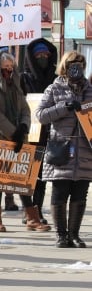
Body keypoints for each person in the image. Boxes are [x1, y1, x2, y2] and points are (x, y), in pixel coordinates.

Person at [0, 50, 50, 233]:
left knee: (22, 178)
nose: (9, 71)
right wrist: (13, 132)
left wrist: (24, 127)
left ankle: (32, 218)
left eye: (11, 67)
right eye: (5, 68)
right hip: (0, 137)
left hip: (19, 137)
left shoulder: (16, 84)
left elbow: (26, 109)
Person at [35, 50, 92, 248]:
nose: (77, 68)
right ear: (65, 66)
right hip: (62, 149)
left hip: (85, 151)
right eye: (73, 64)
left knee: (80, 195)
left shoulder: (90, 89)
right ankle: (61, 235)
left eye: (80, 64)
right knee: (60, 194)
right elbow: (41, 115)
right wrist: (65, 107)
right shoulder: (54, 88)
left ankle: (74, 235)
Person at [20, 38, 58, 225]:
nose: (42, 57)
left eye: (45, 55)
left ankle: (37, 209)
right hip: (29, 132)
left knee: (42, 176)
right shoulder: (23, 78)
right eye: (39, 55)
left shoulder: (55, 79)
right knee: (28, 175)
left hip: (49, 133)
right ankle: (28, 211)